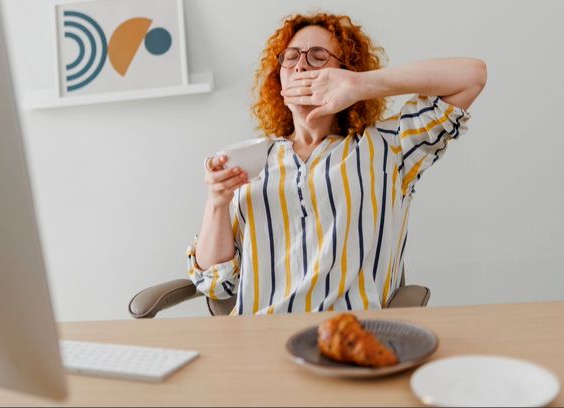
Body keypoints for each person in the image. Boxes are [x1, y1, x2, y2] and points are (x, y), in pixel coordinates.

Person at [186, 12, 487, 315]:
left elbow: (472, 76)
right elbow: (215, 285)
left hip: (352, 339)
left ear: (345, 73)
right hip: (259, 343)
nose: (301, 65)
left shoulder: (390, 145)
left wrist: (360, 84)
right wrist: (217, 202)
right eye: (290, 58)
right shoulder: (250, 161)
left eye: (318, 57)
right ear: (277, 78)